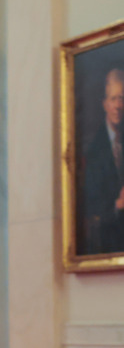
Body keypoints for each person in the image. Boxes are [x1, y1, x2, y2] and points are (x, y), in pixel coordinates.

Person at [80, 68, 124, 255]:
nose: (118, 105)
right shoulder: (92, 151)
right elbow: (91, 211)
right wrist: (117, 205)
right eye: (113, 99)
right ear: (104, 104)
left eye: (121, 98)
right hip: (107, 245)